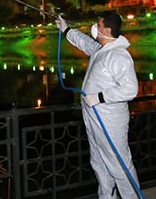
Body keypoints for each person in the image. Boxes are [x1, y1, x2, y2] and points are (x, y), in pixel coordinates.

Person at [56, 11, 139, 199]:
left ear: (107, 30)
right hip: (94, 119)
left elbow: (130, 89)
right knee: (99, 162)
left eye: (98, 25)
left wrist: (100, 97)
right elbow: (85, 43)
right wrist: (67, 29)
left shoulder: (118, 56)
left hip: (110, 121)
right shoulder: (101, 50)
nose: (95, 27)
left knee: (119, 165)